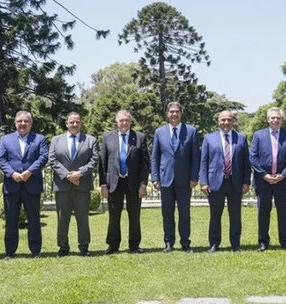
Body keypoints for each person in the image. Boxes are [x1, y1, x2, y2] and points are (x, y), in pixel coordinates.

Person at [0, 111, 48, 259]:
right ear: (15, 123)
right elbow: (1, 159)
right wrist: (12, 174)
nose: (23, 124)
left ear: (31, 123)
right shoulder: (6, 140)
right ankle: (10, 251)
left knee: (34, 219)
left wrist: (30, 171)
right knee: (11, 219)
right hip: (12, 185)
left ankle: (36, 250)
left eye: (26, 121)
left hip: (32, 184)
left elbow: (43, 157)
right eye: (20, 121)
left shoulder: (39, 139)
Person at [48, 112, 99, 257]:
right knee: (62, 218)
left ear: (81, 123)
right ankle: (63, 247)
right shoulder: (56, 140)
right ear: (66, 124)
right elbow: (52, 159)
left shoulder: (90, 140)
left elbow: (94, 160)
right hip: (63, 185)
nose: (74, 124)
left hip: (82, 185)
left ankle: (84, 246)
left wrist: (80, 173)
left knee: (83, 218)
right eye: (71, 122)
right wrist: (67, 175)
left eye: (77, 122)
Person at [152, 102, 200, 253]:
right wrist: (155, 177)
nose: (174, 114)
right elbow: (155, 156)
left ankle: (185, 242)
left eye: (177, 111)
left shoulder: (191, 131)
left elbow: (195, 157)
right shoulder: (159, 132)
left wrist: (194, 177)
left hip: (185, 180)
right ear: (167, 114)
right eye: (171, 112)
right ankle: (168, 242)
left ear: (181, 113)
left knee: (184, 213)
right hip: (165, 179)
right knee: (167, 213)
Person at [200, 110, 251, 252]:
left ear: (232, 121)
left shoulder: (241, 138)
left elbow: (246, 163)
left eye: (229, 120)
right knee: (215, 215)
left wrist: (246, 182)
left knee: (235, 215)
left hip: (235, 182)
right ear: (218, 121)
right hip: (215, 182)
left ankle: (235, 244)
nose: (226, 122)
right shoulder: (209, 138)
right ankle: (214, 243)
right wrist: (203, 182)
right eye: (223, 120)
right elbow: (204, 162)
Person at [99, 110, 149, 254]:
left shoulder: (140, 138)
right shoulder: (108, 137)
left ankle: (134, 245)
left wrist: (143, 184)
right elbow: (102, 163)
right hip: (114, 183)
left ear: (130, 122)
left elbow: (145, 164)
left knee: (134, 216)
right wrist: (103, 184)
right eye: (121, 120)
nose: (124, 123)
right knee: (114, 216)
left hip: (133, 183)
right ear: (116, 122)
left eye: (127, 120)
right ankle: (113, 245)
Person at [250, 107, 286, 251]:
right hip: (263, 181)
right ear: (268, 119)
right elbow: (253, 157)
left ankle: (285, 243)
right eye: (273, 118)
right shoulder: (258, 135)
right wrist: (264, 174)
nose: (275, 120)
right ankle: (263, 242)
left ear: (282, 120)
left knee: (284, 213)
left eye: (278, 118)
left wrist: (283, 175)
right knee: (263, 213)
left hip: (282, 181)